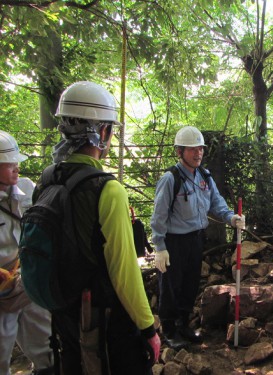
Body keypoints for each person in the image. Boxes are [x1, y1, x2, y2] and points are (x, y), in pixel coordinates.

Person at [46, 81, 160, 374]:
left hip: (64, 314)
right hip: (104, 319)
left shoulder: (48, 181)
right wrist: (148, 328)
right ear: (104, 132)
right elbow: (124, 271)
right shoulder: (107, 190)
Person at [151, 125, 244, 349]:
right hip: (174, 242)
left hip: (196, 239)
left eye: (200, 149)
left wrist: (231, 217)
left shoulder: (204, 176)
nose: (198, 153)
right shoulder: (170, 179)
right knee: (171, 286)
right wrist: (159, 246)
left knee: (190, 284)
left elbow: (216, 202)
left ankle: (183, 325)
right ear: (179, 152)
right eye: (192, 149)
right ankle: (170, 329)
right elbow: (159, 215)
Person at [0, 131, 54, 375]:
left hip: (28, 277)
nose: (17, 167)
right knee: (2, 347)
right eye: (10, 163)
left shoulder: (26, 189)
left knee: (45, 341)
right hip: (1, 289)